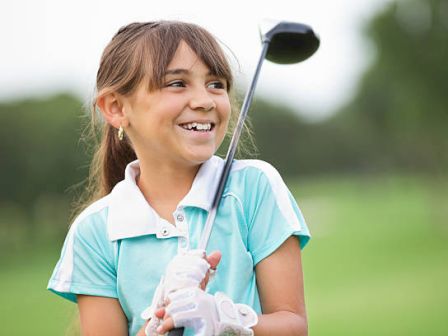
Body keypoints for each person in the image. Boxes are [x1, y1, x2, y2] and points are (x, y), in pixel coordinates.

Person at [48, 20, 311, 336]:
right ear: (116, 107)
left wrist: (227, 320)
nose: (205, 100)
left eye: (216, 84)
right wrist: (159, 321)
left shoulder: (254, 187)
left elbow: (293, 325)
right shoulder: (93, 231)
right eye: (177, 84)